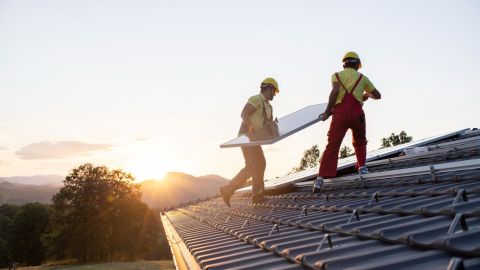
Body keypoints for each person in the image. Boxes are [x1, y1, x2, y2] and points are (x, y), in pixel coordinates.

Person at [313, 52, 381, 192]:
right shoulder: (363, 78)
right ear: (357, 65)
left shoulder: (337, 76)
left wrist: (327, 111)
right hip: (357, 115)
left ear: (344, 64)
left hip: (339, 115)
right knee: (360, 141)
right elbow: (377, 95)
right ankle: (361, 167)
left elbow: (335, 91)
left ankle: (320, 179)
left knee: (332, 145)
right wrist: (366, 95)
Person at [220, 78, 279, 206]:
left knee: (251, 167)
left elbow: (267, 125)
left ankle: (228, 189)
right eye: (274, 91)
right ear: (268, 88)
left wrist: (275, 126)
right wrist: (250, 126)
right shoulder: (256, 99)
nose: (275, 94)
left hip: (253, 139)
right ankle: (257, 196)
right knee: (259, 164)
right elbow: (244, 113)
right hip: (247, 137)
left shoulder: (268, 106)